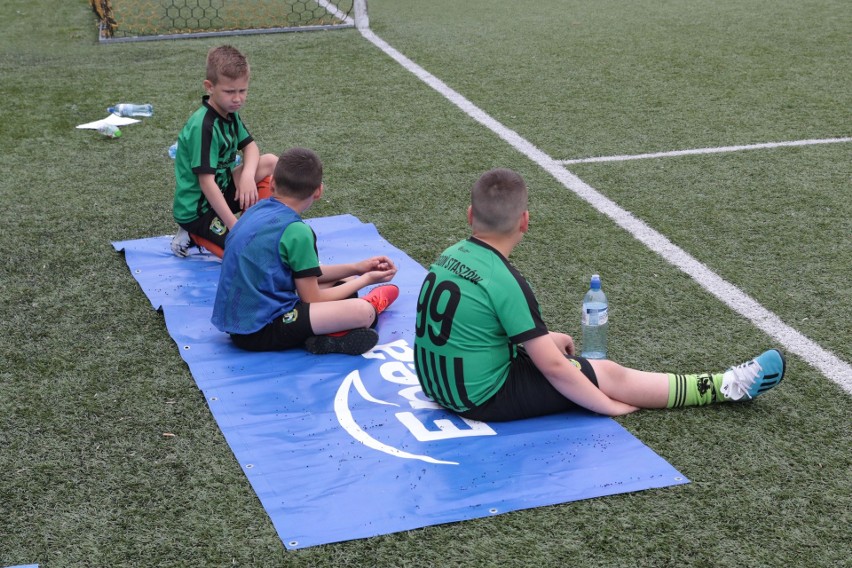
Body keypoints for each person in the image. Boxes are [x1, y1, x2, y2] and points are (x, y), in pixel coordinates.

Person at [414, 168, 785, 421]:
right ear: (525, 221)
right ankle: (728, 386)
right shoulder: (505, 279)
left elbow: (475, 327)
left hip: (436, 383)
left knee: (552, 347)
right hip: (475, 397)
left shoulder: (448, 256)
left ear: (469, 215)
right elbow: (555, 369)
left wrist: (541, 340)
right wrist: (604, 403)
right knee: (608, 372)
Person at [211, 147, 400, 355]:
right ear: (318, 191)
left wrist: (357, 268)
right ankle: (365, 309)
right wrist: (366, 280)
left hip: (242, 320)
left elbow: (307, 271)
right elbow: (313, 299)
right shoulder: (297, 232)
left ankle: (327, 334)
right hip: (261, 330)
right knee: (362, 312)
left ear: (272, 182)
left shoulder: (257, 209)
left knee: (343, 284)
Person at [171, 44, 278, 257]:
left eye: (242, 91)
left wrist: (247, 176)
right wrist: (233, 224)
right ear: (209, 87)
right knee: (244, 255)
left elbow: (250, 146)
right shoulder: (203, 126)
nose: (237, 98)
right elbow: (206, 182)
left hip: (221, 190)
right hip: (198, 210)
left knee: (271, 162)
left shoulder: (229, 112)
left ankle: (258, 227)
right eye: (230, 92)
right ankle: (193, 234)